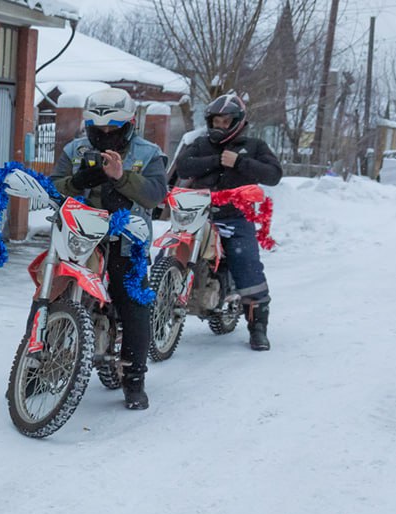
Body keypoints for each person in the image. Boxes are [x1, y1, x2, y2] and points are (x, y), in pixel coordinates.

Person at [51, 86, 167, 410]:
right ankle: (37, 361)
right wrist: (79, 182)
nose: (104, 135)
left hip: (125, 240)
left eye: (112, 129)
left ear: (129, 125)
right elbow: (53, 186)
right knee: (52, 290)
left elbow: (155, 195)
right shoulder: (75, 149)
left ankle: (134, 377)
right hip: (79, 236)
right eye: (97, 129)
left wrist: (121, 177)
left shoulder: (148, 153)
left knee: (133, 300)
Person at [174, 92, 282, 351]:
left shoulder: (254, 146)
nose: (220, 126)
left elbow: (273, 174)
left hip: (235, 215)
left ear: (237, 122)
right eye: (216, 121)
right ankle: (163, 298)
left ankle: (258, 328)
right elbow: (183, 166)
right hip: (198, 213)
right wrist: (217, 161)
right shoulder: (200, 144)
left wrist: (240, 162)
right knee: (173, 251)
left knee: (247, 264)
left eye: (225, 121)